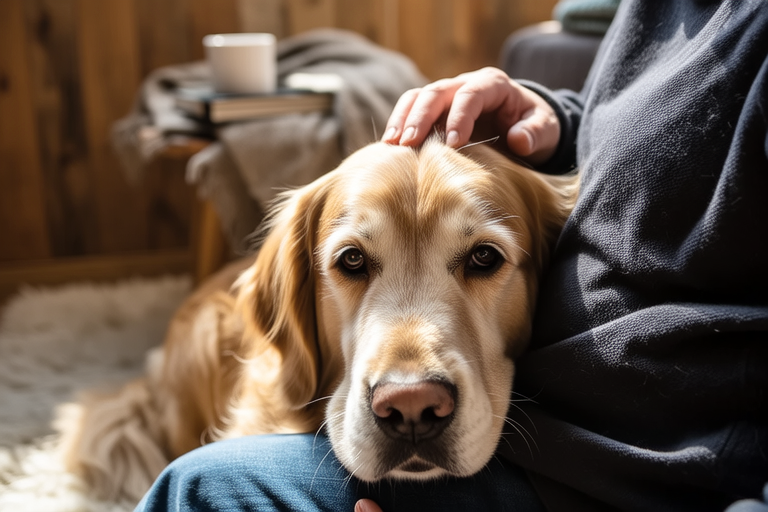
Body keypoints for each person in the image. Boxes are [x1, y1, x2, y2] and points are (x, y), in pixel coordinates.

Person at [135, 1, 768, 510]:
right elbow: (636, 129)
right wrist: (555, 120)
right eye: (353, 263)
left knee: (194, 491)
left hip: (637, 466)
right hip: (564, 436)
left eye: (483, 260)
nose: (410, 393)